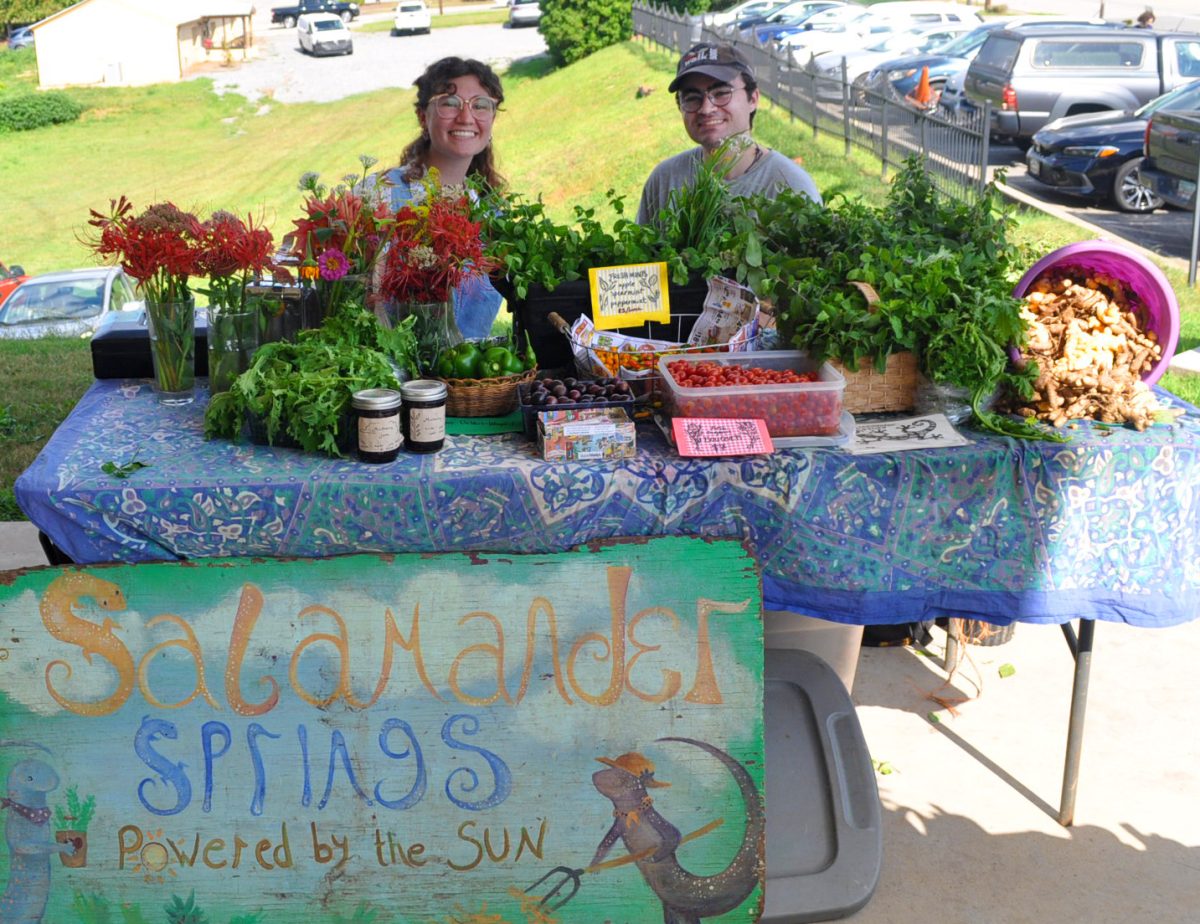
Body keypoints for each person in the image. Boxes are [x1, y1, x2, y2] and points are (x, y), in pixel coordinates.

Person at [381, 56, 506, 340]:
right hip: (397, 378)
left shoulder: (494, 211)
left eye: (480, 105)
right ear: (423, 117)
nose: (466, 117)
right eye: (450, 103)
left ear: (492, 119)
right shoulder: (382, 194)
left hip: (474, 380)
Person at [637, 42, 822, 225]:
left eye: (721, 93)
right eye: (692, 97)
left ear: (753, 99)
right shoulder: (664, 180)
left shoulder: (791, 187)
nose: (706, 108)